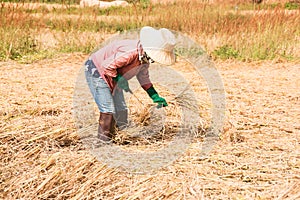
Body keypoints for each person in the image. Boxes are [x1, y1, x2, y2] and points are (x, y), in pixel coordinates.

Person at [84, 26, 176, 142]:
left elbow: (143, 77)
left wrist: (154, 96)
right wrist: (120, 79)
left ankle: (120, 133)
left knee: (121, 107)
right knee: (108, 109)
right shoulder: (130, 53)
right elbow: (106, 66)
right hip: (96, 71)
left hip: (112, 75)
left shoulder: (144, 59)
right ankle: (103, 142)